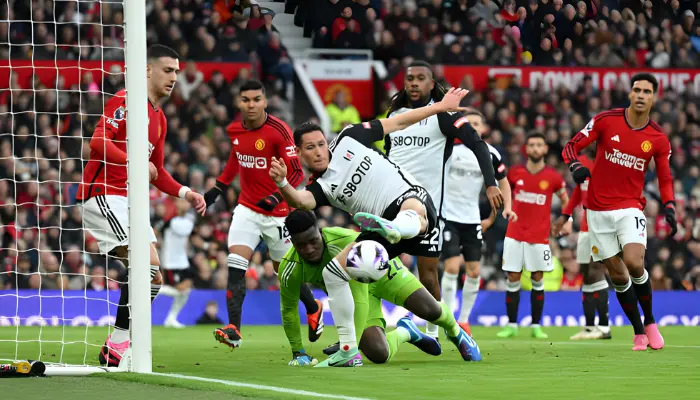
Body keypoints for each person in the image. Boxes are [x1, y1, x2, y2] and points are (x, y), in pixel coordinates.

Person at [270, 88, 485, 364]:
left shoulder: (350, 137)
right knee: (334, 272)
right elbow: (301, 200)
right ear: (298, 153)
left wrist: (439, 108)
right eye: (310, 148)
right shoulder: (321, 187)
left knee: (429, 305)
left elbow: (397, 123)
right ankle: (348, 352)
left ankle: (456, 332)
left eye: (321, 144)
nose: (319, 152)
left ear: (327, 141)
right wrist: (282, 183)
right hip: (376, 238)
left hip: (411, 199)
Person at [76, 45, 207, 366]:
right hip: (103, 194)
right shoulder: (126, 100)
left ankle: (116, 344)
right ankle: (121, 343)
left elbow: (157, 171)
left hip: (130, 201)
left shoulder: (159, 118)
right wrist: (132, 159)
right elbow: (97, 142)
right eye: (168, 70)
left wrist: (185, 192)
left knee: (153, 279)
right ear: (148, 70)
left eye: (177, 71)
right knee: (146, 268)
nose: (174, 77)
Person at [382, 61, 503, 339]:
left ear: (430, 83)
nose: (413, 83)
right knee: (370, 265)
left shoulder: (444, 115)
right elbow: (387, 154)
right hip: (390, 204)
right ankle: (361, 333)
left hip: (429, 210)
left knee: (428, 275)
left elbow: (478, 144)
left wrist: (490, 183)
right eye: (409, 78)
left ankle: (434, 332)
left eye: (420, 78)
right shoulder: (395, 113)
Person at [204, 80, 323, 349]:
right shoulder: (234, 129)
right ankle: (234, 327)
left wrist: (275, 196)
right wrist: (218, 188)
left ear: (265, 101)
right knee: (235, 262)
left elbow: (295, 172)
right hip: (247, 208)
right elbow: (236, 158)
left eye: (257, 99)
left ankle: (313, 306)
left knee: (285, 274)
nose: (251, 104)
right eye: (246, 99)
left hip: (278, 212)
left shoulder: (279, 131)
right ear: (239, 103)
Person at [278, 210, 481, 367]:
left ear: (320, 231)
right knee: (378, 354)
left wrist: (349, 348)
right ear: (292, 243)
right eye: (300, 245)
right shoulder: (290, 268)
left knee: (431, 311)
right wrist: (299, 352)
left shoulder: (344, 242)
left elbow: (360, 298)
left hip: (384, 274)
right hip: (356, 290)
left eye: (313, 241)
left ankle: (456, 331)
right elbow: (288, 310)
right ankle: (406, 332)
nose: (308, 249)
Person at [561, 73, 676, 351]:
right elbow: (571, 146)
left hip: (630, 207)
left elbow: (664, 178)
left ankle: (650, 321)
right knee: (618, 276)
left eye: (646, 91)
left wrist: (670, 204)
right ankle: (637, 331)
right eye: (636, 90)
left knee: (635, 264)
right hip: (597, 212)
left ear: (653, 97)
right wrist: (575, 166)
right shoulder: (605, 120)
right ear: (630, 94)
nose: (640, 95)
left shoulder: (658, 138)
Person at [440, 109, 516, 335]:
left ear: (483, 129)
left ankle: (463, 320)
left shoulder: (490, 153)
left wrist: (507, 209)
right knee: (452, 266)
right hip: (448, 216)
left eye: (476, 123)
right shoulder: (449, 150)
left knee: (474, 272)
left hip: (471, 219)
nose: (472, 126)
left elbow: (503, 182)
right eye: (468, 123)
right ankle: (446, 316)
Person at [496, 132, 569, 339]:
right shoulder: (514, 173)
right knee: (513, 277)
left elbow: (566, 200)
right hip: (514, 232)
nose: (536, 148)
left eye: (539, 145)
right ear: (526, 149)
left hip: (539, 237)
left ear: (545, 149)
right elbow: (503, 193)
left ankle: (536, 325)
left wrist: (566, 221)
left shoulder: (553, 177)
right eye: (532, 145)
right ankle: (511, 325)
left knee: (538, 278)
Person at [552, 154, 612, 340]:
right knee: (586, 274)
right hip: (587, 224)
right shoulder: (583, 161)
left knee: (596, 270)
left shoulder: (612, 159)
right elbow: (579, 190)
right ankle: (589, 327)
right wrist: (565, 216)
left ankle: (603, 327)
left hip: (604, 223)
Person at [159, 198, 196, 328]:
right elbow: (183, 230)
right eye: (182, 202)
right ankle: (152, 289)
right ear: (175, 204)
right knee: (181, 291)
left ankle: (171, 318)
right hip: (171, 262)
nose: (185, 204)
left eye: (186, 202)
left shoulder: (188, 219)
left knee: (186, 291)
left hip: (183, 261)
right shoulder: (170, 221)